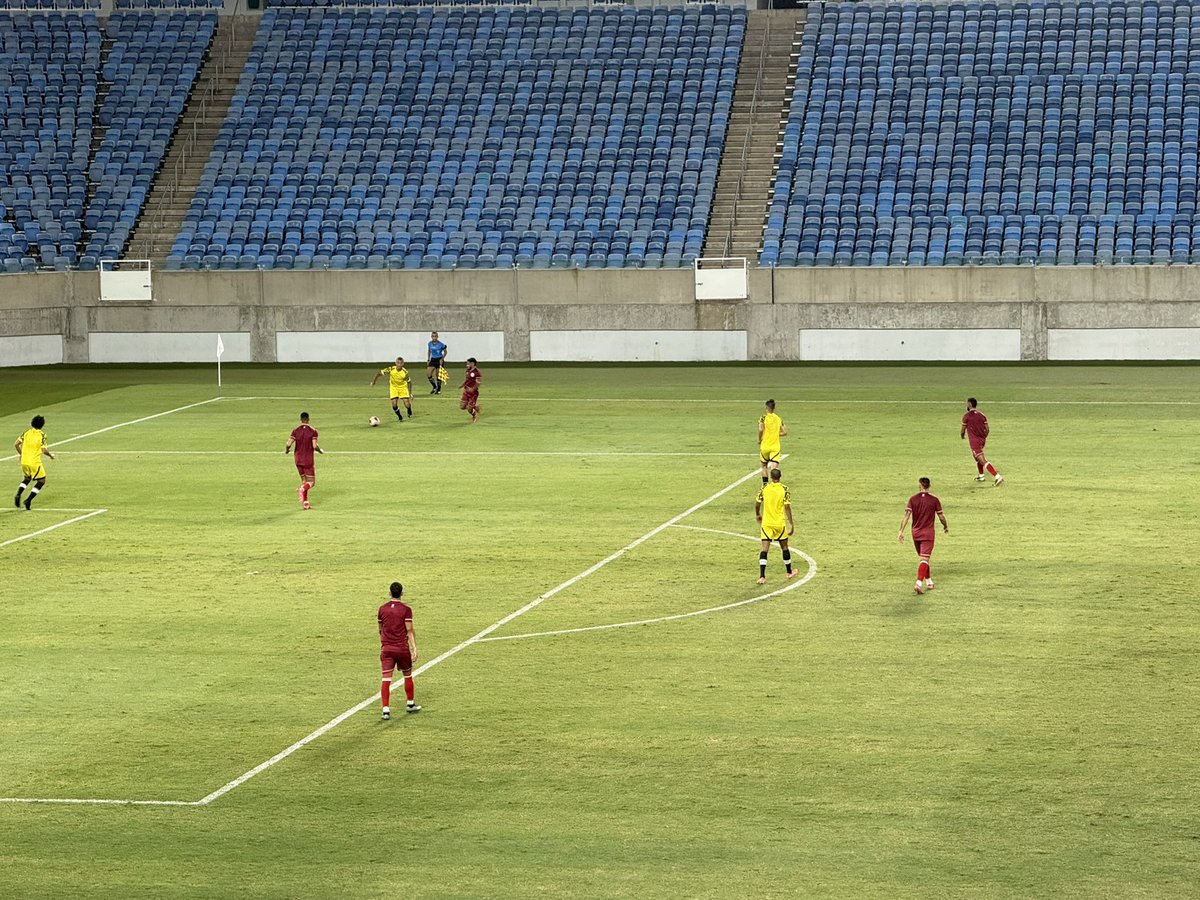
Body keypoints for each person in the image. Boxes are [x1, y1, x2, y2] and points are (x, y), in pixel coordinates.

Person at [898, 477, 949, 595]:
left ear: (919, 486)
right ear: (929, 486)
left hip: (915, 533)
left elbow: (906, 516)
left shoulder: (913, 499)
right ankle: (919, 583)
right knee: (924, 559)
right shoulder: (934, 500)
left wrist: (900, 531)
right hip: (928, 533)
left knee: (923, 559)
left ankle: (929, 581)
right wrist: (945, 526)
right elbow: (941, 517)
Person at [378, 581, 420, 720]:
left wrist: (383, 643)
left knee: (386, 679)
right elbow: (409, 630)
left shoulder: (382, 609)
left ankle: (385, 710)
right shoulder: (406, 610)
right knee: (407, 675)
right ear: (402, 593)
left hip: (387, 649)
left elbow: (380, 629)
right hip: (402, 648)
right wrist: (414, 648)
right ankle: (410, 703)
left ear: (389, 593)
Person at [754, 467, 800, 585]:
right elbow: (787, 507)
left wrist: (758, 514)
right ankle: (789, 572)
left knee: (764, 549)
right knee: (784, 547)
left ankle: (762, 576)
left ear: (770, 476)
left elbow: (758, 503)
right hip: (779, 523)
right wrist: (791, 522)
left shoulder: (765, 488)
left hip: (767, 523)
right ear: (780, 476)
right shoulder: (784, 489)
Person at [14, 414, 55, 510]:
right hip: (34, 462)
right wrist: (51, 456)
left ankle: (18, 494)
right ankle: (28, 500)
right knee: (41, 481)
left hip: (24, 461)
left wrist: (22, 455)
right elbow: (44, 451)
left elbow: (16, 444)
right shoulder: (42, 435)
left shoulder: (27, 432)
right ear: (42, 425)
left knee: (27, 478)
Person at [284, 412, 323, 510]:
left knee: (304, 481)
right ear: (308, 419)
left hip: (297, 459)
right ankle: (302, 489)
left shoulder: (295, 430)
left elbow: (288, 444)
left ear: (300, 419)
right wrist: (320, 450)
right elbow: (314, 446)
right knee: (311, 482)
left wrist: (287, 450)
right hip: (308, 460)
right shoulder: (313, 431)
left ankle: (305, 503)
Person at [961, 397, 1003, 486]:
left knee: (982, 460)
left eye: (967, 403)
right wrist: (983, 437)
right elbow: (987, 429)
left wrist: (962, 436)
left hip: (974, 442)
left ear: (969, 404)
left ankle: (997, 476)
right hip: (982, 440)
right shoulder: (982, 415)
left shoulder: (966, 416)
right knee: (976, 457)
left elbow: (962, 430)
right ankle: (981, 476)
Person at [371, 357, 414, 422]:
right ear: (395, 363)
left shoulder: (405, 372)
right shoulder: (391, 369)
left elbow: (409, 382)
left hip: (402, 387)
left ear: (403, 364)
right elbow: (379, 373)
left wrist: (410, 393)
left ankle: (409, 409)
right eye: (398, 363)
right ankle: (400, 417)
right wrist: (374, 382)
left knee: (407, 404)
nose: (399, 365)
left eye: (401, 363)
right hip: (393, 388)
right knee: (394, 404)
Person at [758, 399, 788, 484]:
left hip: (765, 446)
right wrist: (775, 434)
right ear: (774, 408)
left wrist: (759, 439)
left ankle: (764, 486)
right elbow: (785, 432)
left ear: (766, 408)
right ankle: (775, 484)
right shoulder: (778, 418)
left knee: (764, 466)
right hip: (775, 447)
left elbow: (760, 430)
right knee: (774, 467)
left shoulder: (763, 418)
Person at [460, 357, 482, 423]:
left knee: (469, 409)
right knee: (462, 407)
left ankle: (474, 415)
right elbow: (467, 380)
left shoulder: (477, 372)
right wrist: (463, 385)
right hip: (466, 391)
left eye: (468, 364)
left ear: (473, 363)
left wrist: (472, 389)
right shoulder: (467, 371)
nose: (467, 365)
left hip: (473, 393)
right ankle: (475, 406)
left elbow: (478, 382)